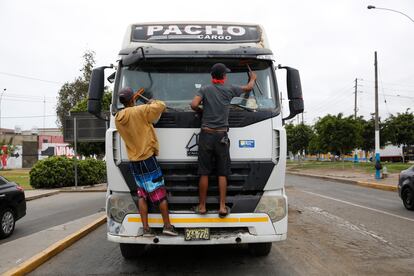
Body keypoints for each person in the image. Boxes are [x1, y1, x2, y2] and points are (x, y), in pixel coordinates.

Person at [190, 63, 256, 217]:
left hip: (206, 135)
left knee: (204, 173)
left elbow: (193, 104)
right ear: (224, 76)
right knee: (222, 173)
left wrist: (201, 110)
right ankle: (221, 207)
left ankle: (201, 207)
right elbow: (248, 88)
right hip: (221, 137)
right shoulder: (230, 89)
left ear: (212, 76)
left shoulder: (205, 89)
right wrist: (252, 78)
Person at [115, 87, 178, 237]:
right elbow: (161, 105)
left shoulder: (118, 117)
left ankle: (146, 229)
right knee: (159, 193)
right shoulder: (140, 110)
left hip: (134, 161)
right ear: (133, 99)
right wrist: (152, 101)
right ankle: (167, 226)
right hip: (147, 160)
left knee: (142, 194)